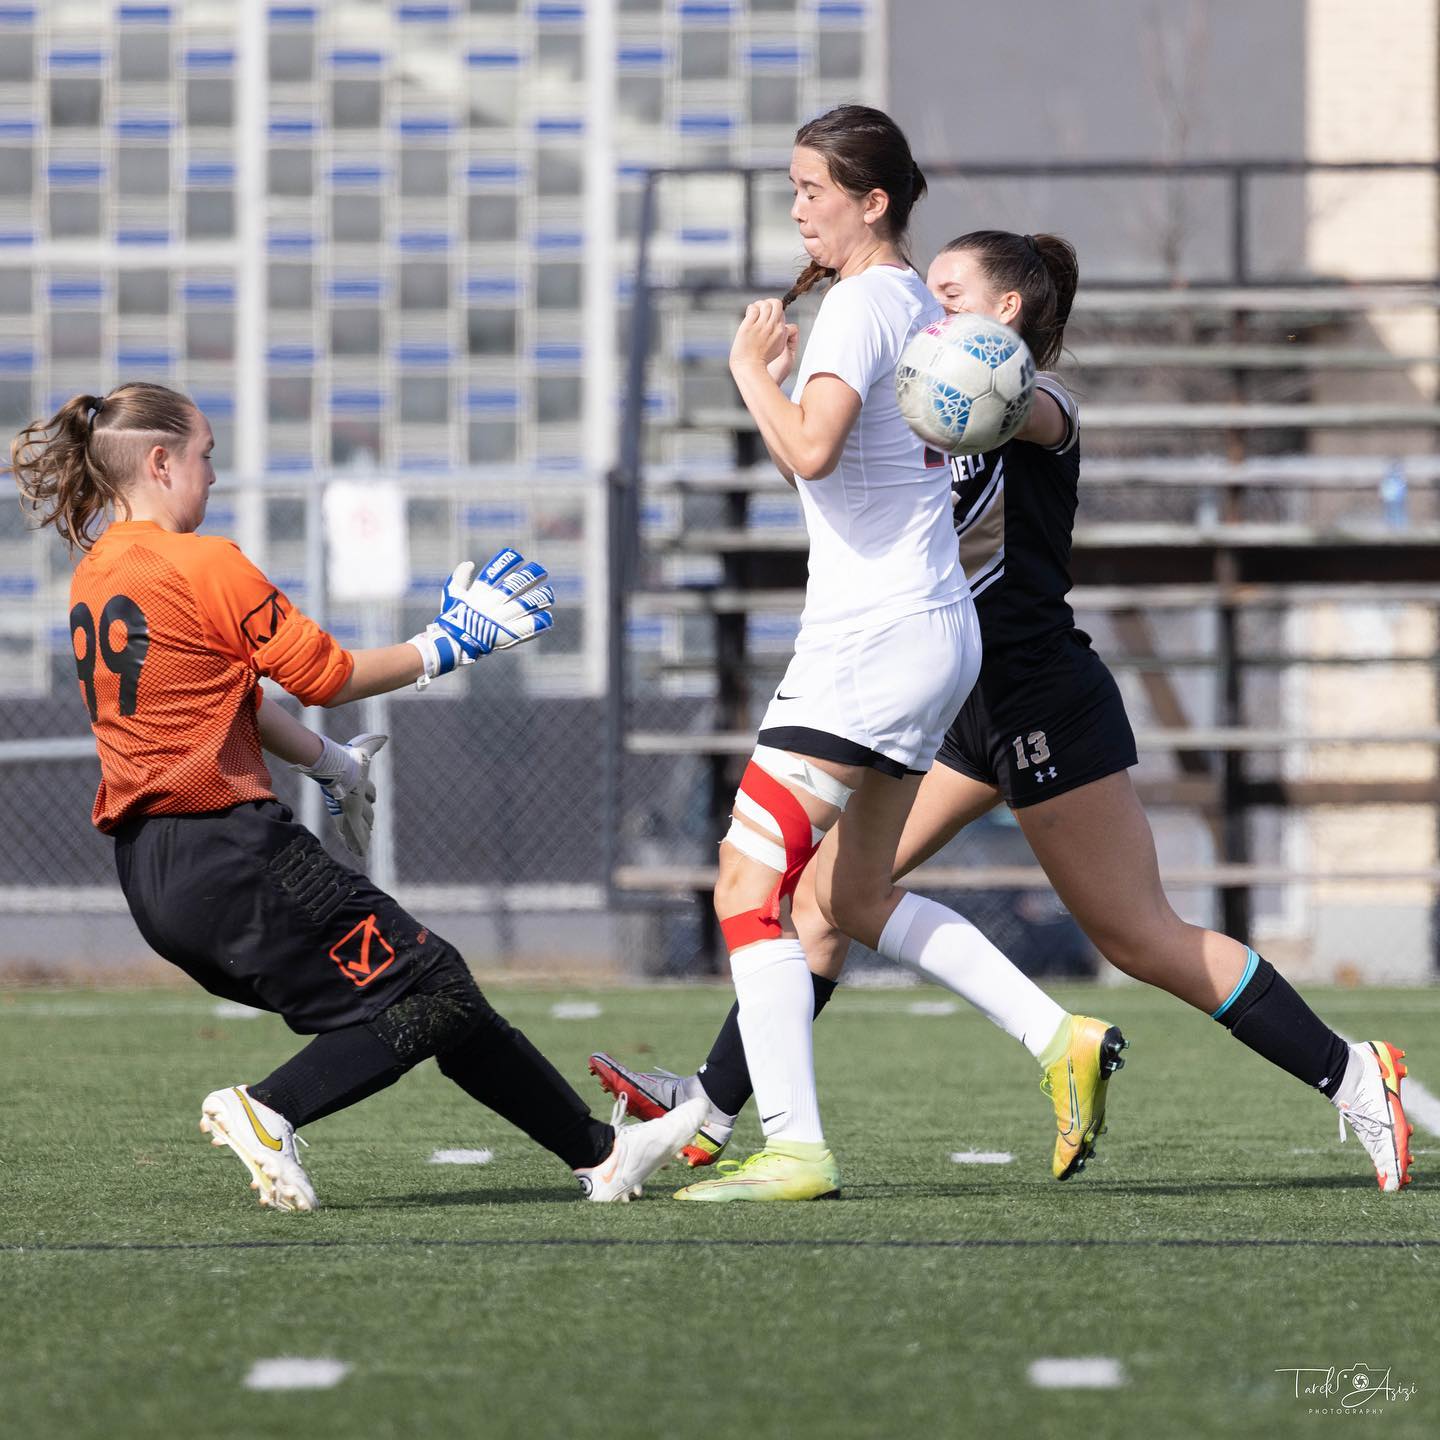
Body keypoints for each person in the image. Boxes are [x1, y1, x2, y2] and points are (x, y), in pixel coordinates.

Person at [591, 230, 1413, 1195]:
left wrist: (917, 348)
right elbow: (839, 475)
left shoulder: (1036, 403)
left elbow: (1013, 406)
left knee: (1139, 937)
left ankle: (1357, 1076)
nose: (932, 313)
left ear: (1007, 311)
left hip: (1041, 701)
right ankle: (709, 1113)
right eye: (929, 296)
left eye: (951, 294)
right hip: (951, 703)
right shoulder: (933, 397)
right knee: (821, 900)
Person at [10, 381, 706, 1211]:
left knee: (435, 992)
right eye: (205, 457)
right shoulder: (203, 561)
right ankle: (270, 1109)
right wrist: (441, 646)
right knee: (434, 987)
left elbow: (227, 696)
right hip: (232, 849)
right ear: (160, 462)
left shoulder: (96, 574)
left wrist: (330, 762)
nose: (214, 477)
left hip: (157, 876)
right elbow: (325, 674)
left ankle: (601, 1157)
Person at [653, 107, 1123, 1206]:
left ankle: (795, 1146)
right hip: (928, 631)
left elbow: (808, 446)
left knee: (747, 880)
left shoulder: (865, 303)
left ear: (873, 202)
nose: (798, 208)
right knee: (854, 898)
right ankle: (1057, 1036)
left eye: (812, 187)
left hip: (869, 641)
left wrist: (746, 372)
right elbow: (837, 473)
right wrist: (783, 392)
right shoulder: (915, 303)